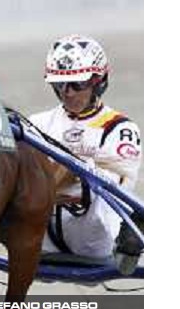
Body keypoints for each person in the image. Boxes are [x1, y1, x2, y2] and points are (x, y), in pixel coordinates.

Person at [28, 34, 143, 272]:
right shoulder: (35, 123)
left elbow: (115, 188)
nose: (67, 92)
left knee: (77, 168)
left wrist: (51, 183)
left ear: (98, 81)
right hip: (42, 242)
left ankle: (134, 235)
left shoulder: (121, 129)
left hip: (92, 242)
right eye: (59, 85)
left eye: (77, 84)